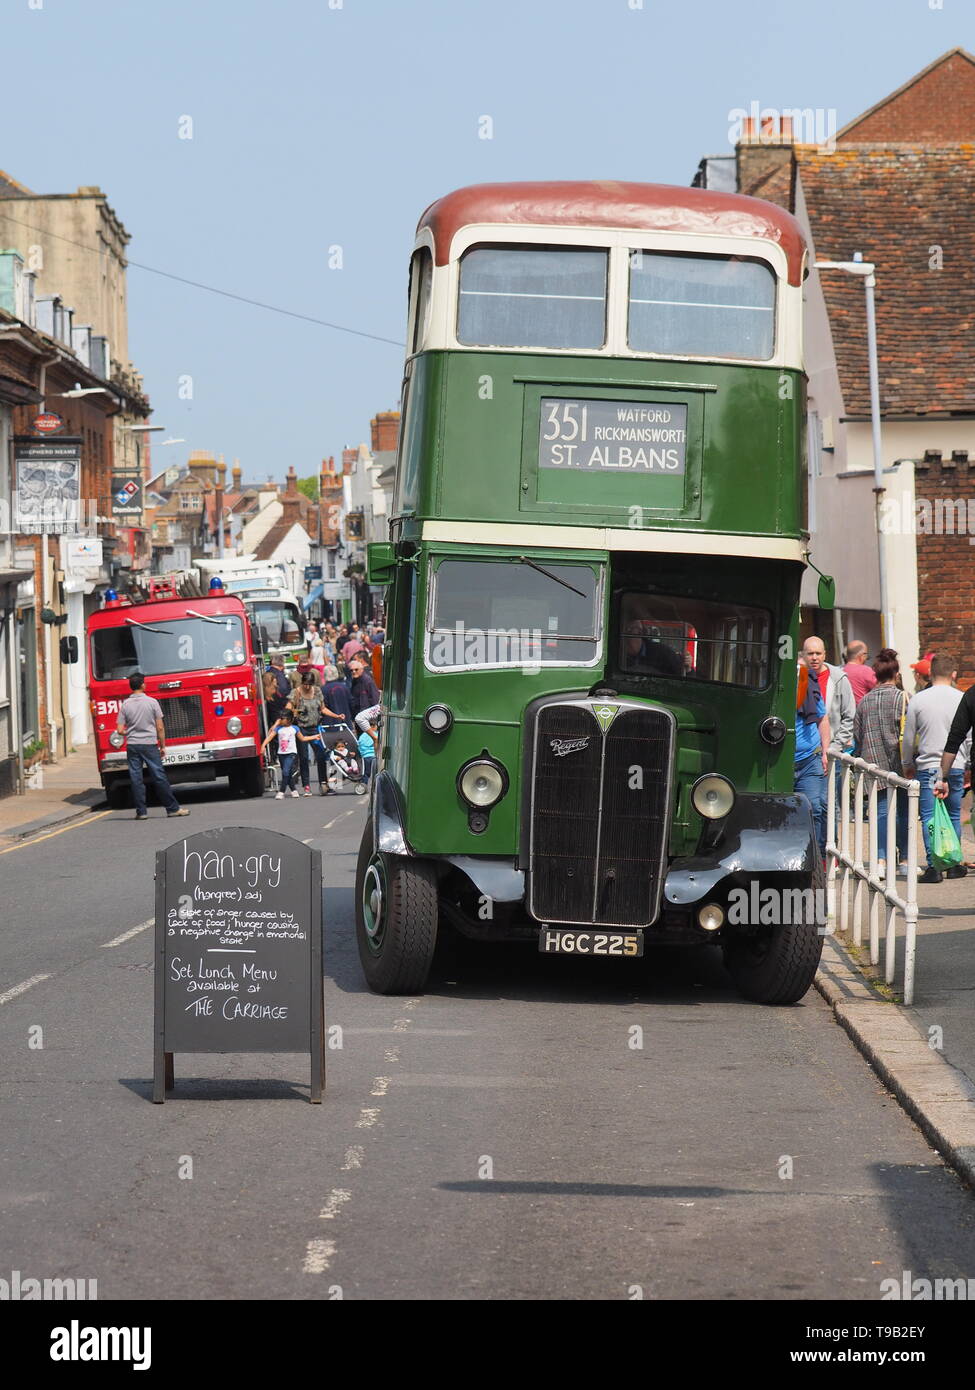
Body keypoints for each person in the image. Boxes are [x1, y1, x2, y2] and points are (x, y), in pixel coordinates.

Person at [903, 654, 968, 883]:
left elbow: (909, 737)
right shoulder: (962, 698)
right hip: (956, 765)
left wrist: (907, 764)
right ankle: (953, 864)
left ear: (930, 674)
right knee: (952, 815)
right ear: (953, 674)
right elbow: (969, 737)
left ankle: (934, 867)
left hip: (929, 767)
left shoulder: (919, 700)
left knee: (930, 817)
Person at [852, 648, 909, 874]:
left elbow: (857, 735)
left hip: (874, 765)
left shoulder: (864, 702)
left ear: (875, 676)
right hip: (902, 765)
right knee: (905, 811)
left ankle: (881, 860)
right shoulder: (902, 698)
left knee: (882, 812)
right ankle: (904, 859)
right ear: (896, 674)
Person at [115, 673, 190, 820]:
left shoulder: (125, 704)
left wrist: (129, 732)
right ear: (143, 685)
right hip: (149, 744)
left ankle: (141, 812)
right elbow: (160, 727)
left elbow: (119, 730)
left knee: (136, 778)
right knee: (159, 776)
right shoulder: (152, 702)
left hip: (133, 745)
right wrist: (162, 746)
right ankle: (172, 809)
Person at [801, 636, 855, 813]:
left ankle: (832, 840)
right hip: (807, 751)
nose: (814, 657)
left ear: (825, 655)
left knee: (828, 802)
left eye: (818, 653)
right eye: (810, 653)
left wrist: (834, 747)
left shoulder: (838, 679)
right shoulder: (797, 677)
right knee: (812, 804)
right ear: (803, 655)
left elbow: (849, 716)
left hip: (831, 749)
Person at [794, 660, 831, 858]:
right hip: (780, 761)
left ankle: (815, 860)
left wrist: (825, 751)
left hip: (810, 758)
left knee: (814, 808)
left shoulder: (811, 687)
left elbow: (822, 718)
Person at [261, 708, 301, 799]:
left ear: (290, 719)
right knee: (288, 772)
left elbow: (303, 738)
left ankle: (281, 791)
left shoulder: (294, 728)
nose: (281, 720)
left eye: (283, 718)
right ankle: (293, 790)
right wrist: (263, 745)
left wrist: (314, 737)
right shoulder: (278, 729)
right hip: (282, 753)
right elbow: (270, 735)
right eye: (280, 718)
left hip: (291, 753)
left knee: (286, 771)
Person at [842, 640, 877, 706]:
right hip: (862, 712)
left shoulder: (840, 671)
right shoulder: (866, 671)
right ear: (862, 656)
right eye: (866, 655)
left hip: (846, 712)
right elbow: (880, 689)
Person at [347, 655, 380, 720]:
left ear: (361, 669)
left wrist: (373, 718)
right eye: (351, 670)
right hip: (358, 715)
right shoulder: (354, 681)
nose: (354, 672)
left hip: (367, 716)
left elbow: (375, 699)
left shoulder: (367, 681)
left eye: (356, 669)